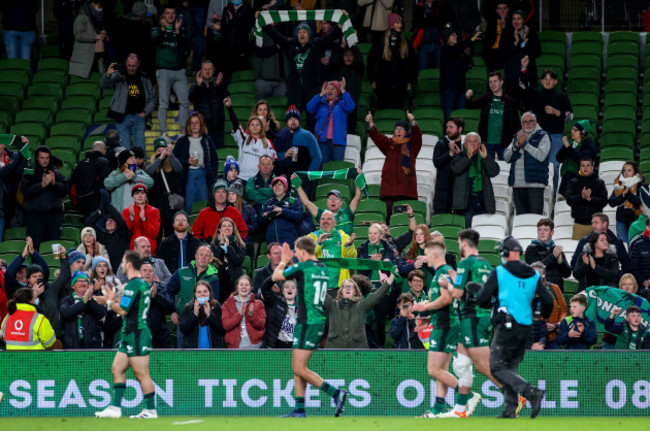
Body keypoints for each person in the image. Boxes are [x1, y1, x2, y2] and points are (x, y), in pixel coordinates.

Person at [476, 236, 553, 419]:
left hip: (506, 325)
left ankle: (531, 392)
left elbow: (481, 298)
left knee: (495, 367)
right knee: (510, 366)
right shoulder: (534, 275)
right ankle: (510, 410)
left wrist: (492, 303)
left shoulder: (500, 271)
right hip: (526, 326)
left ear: (506, 253)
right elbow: (548, 300)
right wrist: (540, 315)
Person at [271, 237, 349, 417]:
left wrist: (283, 261)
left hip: (308, 322)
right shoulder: (322, 267)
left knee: (299, 368)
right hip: (316, 320)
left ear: (304, 252)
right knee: (297, 366)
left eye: (298, 252)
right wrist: (292, 263)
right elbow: (302, 277)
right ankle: (299, 409)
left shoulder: (303, 268)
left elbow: (276, 276)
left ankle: (336, 393)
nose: (296, 255)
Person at [437, 229, 501, 418]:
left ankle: (515, 394)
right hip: (483, 315)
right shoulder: (486, 265)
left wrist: (446, 284)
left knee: (482, 366)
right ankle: (459, 410)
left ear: (464, 243)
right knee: (461, 365)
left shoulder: (465, 262)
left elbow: (457, 293)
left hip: (472, 317)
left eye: (459, 242)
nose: (459, 246)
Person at [95, 251, 157, 419]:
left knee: (141, 374)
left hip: (137, 333)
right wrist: (113, 298)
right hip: (129, 333)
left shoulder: (132, 285)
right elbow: (128, 306)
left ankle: (151, 410)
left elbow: (123, 310)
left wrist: (109, 301)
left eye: (123, 262)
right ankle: (115, 408)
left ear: (129, 264)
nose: (121, 265)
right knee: (117, 368)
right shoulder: (140, 284)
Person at [411, 241, 469, 418]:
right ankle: (437, 410)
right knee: (441, 371)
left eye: (426, 254)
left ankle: (467, 395)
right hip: (444, 322)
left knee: (434, 370)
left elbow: (445, 300)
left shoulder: (443, 273)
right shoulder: (441, 273)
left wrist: (424, 308)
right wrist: (428, 319)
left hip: (445, 325)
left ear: (434, 255)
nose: (424, 258)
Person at [263, 19, 343, 118]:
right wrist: (265, 24)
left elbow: (329, 37)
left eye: (304, 32)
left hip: (312, 90)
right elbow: (277, 37)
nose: (302, 34)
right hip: (295, 91)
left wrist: (340, 25)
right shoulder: (291, 45)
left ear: (309, 34)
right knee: (292, 119)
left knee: (313, 119)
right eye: (299, 32)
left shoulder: (316, 44)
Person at [521, 66, 573, 194]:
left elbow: (570, 115)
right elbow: (522, 84)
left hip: (556, 137)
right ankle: (539, 196)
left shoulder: (562, 96)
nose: (547, 81)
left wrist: (556, 112)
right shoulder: (536, 94)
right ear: (541, 81)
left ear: (555, 81)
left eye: (551, 79)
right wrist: (523, 68)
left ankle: (554, 196)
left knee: (554, 167)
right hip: (538, 137)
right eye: (545, 79)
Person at [366, 111, 422, 218]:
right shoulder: (389, 144)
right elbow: (378, 137)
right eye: (397, 128)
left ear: (406, 132)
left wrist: (412, 121)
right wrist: (371, 122)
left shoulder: (412, 146)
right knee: (389, 219)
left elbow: (418, 137)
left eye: (402, 129)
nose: (399, 131)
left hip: (406, 191)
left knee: (402, 221)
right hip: (389, 191)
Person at [166, 244, 220, 347]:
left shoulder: (214, 278)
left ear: (210, 259)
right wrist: (172, 311)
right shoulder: (182, 272)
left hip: (205, 321)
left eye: (207, 255)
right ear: (196, 256)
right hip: (184, 319)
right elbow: (169, 291)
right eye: (201, 254)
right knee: (184, 353)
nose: (203, 257)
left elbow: (214, 300)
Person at [100, 54, 156, 152]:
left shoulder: (144, 78)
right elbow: (104, 86)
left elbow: (152, 99)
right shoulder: (119, 75)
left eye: (133, 66)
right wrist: (107, 75)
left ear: (138, 64)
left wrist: (145, 113)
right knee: (124, 150)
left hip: (139, 117)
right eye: (129, 65)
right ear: (125, 63)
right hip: (122, 117)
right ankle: (126, 168)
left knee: (140, 149)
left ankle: (140, 167)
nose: (131, 68)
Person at [324, 273, 396, 348]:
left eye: (351, 287)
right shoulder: (332, 305)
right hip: (334, 351)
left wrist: (391, 277)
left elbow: (378, 294)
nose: (348, 288)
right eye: (345, 286)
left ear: (355, 292)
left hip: (358, 352)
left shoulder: (362, 306)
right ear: (341, 290)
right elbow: (319, 291)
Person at [152, 6, 190, 138]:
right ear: (163, 15)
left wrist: (178, 31)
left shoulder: (181, 28)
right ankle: (163, 133)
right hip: (163, 70)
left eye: (173, 13)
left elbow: (184, 45)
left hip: (179, 70)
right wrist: (163, 29)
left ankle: (182, 131)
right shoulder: (156, 29)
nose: (170, 15)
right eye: (167, 13)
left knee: (185, 102)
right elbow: (159, 42)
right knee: (163, 103)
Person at [21, 146, 69, 250]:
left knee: (54, 248)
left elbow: (65, 190)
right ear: (37, 158)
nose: (45, 160)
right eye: (42, 158)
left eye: (47, 158)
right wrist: (41, 185)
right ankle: (36, 266)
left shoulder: (56, 173)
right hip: (35, 217)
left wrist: (54, 183)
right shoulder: (29, 173)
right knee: (35, 249)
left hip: (53, 217)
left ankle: (54, 266)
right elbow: (25, 191)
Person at [465, 72, 520, 161]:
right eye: (490, 82)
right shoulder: (485, 98)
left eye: (495, 81)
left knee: (504, 169)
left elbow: (516, 123)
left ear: (501, 82)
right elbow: (470, 105)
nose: (492, 84)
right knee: (487, 169)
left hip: (504, 142)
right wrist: (468, 97)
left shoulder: (510, 101)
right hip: (487, 142)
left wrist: (513, 139)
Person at [366, 14, 417, 110]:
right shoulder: (380, 43)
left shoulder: (406, 43)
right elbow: (370, 62)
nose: (400, 25)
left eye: (401, 23)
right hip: (383, 86)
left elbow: (413, 63)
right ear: (391, 25)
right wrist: (372, 80)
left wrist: (410, 81)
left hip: (400, 86)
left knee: (397, 112)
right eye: (397, 23)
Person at [504, 112, 550, 215]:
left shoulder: (543, 136)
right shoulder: (517, 137)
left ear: (536, 122)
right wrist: (516, 145)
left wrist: (525, 145)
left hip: (535, 184)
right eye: (525, 122)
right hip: (517, 184)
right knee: (521, 220)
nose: (528, 124)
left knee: (534, 219)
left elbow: (541, 156)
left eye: (531, 121)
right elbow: (507, 157)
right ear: (521, 124)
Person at [173, 112, 219, 214]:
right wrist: (187, 161)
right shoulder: (182, 141)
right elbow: (174, 159)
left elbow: (214, 159)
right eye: (192, 123)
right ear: (188, 125)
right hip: (188, 174)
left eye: (197, 123)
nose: (194, 125)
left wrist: (213, 175)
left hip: (203, 174)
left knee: (203, 204)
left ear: (201, 124)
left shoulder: (207, 140)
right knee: (189, 205)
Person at [451, 132, 500, 227]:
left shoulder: (484, 157)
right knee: (467, 232)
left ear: (480, 144)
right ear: (465, 145)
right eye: (469, 141)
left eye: (475, 141)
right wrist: (468, 157)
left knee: (483, 230)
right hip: (465, 203)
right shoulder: (458, 157)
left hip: (483, 201)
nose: (472, 143)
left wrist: (486, 158)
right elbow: (456, 169)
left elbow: (494, 172)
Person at [224, 97, 277, 181]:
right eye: (252, 125)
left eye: (257, 125)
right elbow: (235, 123)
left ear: (261, 127)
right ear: (248, 127)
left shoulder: (267, 142)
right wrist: (229, 107)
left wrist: (272, 161)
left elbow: (274, 161)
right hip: (241, 178)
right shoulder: (243, 138)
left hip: (258, 180)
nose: (255, 126)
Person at [306, 79, 355, 164]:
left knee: (337, 168)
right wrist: (321, 94)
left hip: (338, 142)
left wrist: (343, 90)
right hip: (323, 142)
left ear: (337, 91)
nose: (329, 91)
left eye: (333, 89)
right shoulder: (321, 103)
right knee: (324, 167)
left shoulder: (342, 104)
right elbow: (309, 108)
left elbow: (351, 106)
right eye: (328, 89)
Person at [440, 27, 483, 121]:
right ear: (447, 37)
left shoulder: (458, 52)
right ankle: (447, 136)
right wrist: (472, 39)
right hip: (449, 90)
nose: (456, 36)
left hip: (460, 89)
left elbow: (467, 66)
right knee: (449, 117)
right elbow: (458, 48)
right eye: (453, 35)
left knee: (460, 117)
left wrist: (467, 56)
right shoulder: (446, 50)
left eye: (456, 34)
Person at [308, 210, 357, 289]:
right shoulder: (311, 237)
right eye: (323, 219)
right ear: (320, 221)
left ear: (335, 222)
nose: (325, 221)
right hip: (317, 287)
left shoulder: (343, 237)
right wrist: (318, 243)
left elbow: (352, 259)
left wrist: (349, 245)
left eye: (329, 219)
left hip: (340, 287)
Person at [499, 10, 541, 103]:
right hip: (512, 78)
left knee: (529, 108)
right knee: (513, 108)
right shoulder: (506, 34)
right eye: (514, 19)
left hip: (529, 76)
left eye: (519, 19)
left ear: (524, 20)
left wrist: (525, 40)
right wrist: (515, 43)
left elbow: (537, 52)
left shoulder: (532, 34)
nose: (516, 21)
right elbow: (502, 55)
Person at [146, 137, 184, 240]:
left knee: (170, 236)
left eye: (163, 150)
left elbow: (179, 168)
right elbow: (149, 171)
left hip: (170, 206)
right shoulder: (152, 165)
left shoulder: (172, 163)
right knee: (156, 236)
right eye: (159, 151)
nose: (161, 153)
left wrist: (170, 155)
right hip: (156, 206)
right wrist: (159, 159)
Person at [60, 271, 107, 349]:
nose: (83, 283)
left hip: (92, 345)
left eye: (85, 281)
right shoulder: (67, 300)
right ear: (73, 286)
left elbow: (101, 313)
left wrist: (90, 299)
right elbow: (67, 313)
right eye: (79, 281)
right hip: (72, 345)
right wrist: (83, 302)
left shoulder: (95, 298)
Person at [273, 107, 323, 178]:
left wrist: (308, 175)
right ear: (286, 121)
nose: (293, 121)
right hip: (284, 177)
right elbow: (273, 156)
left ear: (299, 120)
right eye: (290, 119)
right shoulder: (280, 136)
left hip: (303, 176)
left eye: (295, 119)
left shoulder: (308, 135)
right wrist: (284, 154)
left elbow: (317, 157)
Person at [189, 61, 228, 148]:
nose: (207, 71)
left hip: (218, 127)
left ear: (213, 71)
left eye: (209, 69)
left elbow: (226, 97)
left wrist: (219, 85)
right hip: (203, 128)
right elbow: (191, 98)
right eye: (205, 69)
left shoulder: (218, 84)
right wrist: (198, 85)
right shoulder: (195, 86)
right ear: (201, 71)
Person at [566, 158, 608, 240]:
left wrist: (590, 199)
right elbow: (569, 200)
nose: (585, 168)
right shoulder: (573, 182)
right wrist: (581, 197)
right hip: (579, 225)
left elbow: (604, 201)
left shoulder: (599, 183)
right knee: (577, 251)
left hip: (596, 225)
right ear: (580, 168)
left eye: (588, 165)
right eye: (583, 165)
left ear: (592, 167)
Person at [296, 184, 362, 236]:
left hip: (345, 250)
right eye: (330, 199)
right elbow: (306, 202)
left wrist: (358, 178)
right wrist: (298, 186)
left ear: (341, 202)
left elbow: (357, 198)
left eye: (335, 199)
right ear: (327, 203)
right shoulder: (323, 214)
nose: (332, 201)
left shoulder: (347, 212)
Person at [525, 218, 572, 290]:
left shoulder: (556, 249)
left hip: (557, 291)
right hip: (540, 291)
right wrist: (553, 256)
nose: (542, 232)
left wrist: (560, 262)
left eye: (545, 230)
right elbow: (536, 269)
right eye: (540, 230)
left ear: (552, 232)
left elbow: (567, 274)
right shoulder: (531, 248)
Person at [529, 261, 567, 350]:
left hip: (554, 339)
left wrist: (558, 324)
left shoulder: (555, 288)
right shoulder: (526, 291)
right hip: (535, 340)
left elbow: (563, 310)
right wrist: (542, 325)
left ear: (544, 275)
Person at [555, 120, 597, 198]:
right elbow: (559, 158)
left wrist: (568, 148)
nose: (572, 131)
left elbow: (582, 160)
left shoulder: (588, 144)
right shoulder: (571, 143)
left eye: (575, 130)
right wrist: (565, 147)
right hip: (566, 181)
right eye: (572, 129)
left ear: (582, 133)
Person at [609, 161, 648, 244]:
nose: (626, 173)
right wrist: (622, 196)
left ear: (635, 171)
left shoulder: (642, 185)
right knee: (624, 246)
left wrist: (628, 195)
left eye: (629, 170)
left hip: (637, 220)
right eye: (624, 170)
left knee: (636, 245)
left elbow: (643, 202)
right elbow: (611, 202)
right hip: (621, 220)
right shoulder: (618, 184)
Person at [221, 275, 265, 348]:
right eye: (241, 284)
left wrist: (252, 315)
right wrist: (239, 314)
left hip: (256, 347)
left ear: (251, 287)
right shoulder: (227, 304)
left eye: (247, 285)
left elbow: (261, 325)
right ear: (237, 287)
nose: (244, 287)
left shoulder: (259, 304)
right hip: (235, 349)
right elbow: (226, 326)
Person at [70, 141, 112, 218]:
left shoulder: (81, 163)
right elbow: (106, 183)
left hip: (81, 201)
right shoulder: (103, 161)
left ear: (91, 150)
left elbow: (71, 182)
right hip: (96, 202)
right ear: (104, 150)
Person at [260, 176, 304, 248]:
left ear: (285, 187)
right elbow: (260, 222)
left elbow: (299, 216)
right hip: (272, 242)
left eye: (279, 184)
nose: (277, 187)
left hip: (290, 241)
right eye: (274, 185)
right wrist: (265, 217)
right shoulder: (268, 203)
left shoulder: (293, 200)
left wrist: (282, 211)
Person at [179, 280, 225, 348]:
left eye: (205, 291)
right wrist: (194, 314)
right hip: (193, 353)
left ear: (210, 292)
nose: (202, 294)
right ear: (195, 294)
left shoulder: (216, 306)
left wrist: (209, 315)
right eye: (199, 292)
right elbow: (183, 329)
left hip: (213, 352)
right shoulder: (188, 307)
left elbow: (222, 329)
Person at [87, 203, 133, 271]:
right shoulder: (101, 235)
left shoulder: (123, 235)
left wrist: (108, 205)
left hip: (120, 272)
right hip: (104, 272)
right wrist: (99, 211)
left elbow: (121, 221)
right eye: (107, 220)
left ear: (117, 223)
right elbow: (89, 224)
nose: (109, 222)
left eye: (112, 220)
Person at [69, 0, 107, 78]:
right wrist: (95, 36)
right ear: (92, 4)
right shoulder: (82, 17)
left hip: (97, 55)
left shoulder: (98, 17)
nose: (101, 9)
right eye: (99, 6)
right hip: (84, 56)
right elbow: (78, 35)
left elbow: (99, 29)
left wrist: (103, 33)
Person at [433, 117, 464, 215]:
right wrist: (450, 153)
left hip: (459, 197)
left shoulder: (465, 145)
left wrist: (460, 155)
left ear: (460, 129)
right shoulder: (441, 144)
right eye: (447, 127)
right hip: (442, 196)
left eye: (451, 127)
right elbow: (437, 162)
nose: (448, 130)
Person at [212, 217, 247, 302]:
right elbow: (216, 261)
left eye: (230, 226)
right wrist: (221, 244)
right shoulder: (213, 245)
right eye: (224, 226)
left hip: (235, 280)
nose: (227, 228)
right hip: (220, 282)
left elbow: (237, 262)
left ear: (233, 229)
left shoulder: (240, 244)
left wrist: (228, 247)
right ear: (220, 229)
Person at [121, 184, 161, 255]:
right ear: (133, 196)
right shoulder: (126, 211)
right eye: (136, 193)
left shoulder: (155, 211)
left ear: (146, 195)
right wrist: (131, 218)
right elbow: (124, 234)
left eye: (142, 193)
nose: (140, 196)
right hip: (133, 252)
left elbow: (154, 234)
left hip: (149, 252)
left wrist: (144, 219)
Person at [260, 276, 297, 349]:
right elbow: (265, 289)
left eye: (293, 287)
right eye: (286, 287)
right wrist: (274, 278)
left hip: (295, 347)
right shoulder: (276, 302)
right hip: (276, 345)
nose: (290, 289)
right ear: (282, 291)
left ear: (296, 291)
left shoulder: (302, 307)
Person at [0, 135, 25, 238]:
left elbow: (18, 171)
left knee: (14, 236)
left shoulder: (13, 156)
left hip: (15, 204)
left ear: (4, 144)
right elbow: (9, 168)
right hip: (1, 207)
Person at [412, 0, 444, 70]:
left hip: (437, 43)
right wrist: (434, 19)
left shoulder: (439, 7)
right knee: (422, 68)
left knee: (439, 70)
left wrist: (426, 18)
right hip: (424, 44)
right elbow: (418, 23)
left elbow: (441, 21)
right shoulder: (418, 7)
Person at [482, 1, 510, 72]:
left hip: (507, 53)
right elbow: (487, 41)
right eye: (500, 9)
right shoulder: (492, 22)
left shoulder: (512, 22)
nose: (502, 11)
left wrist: (503, 26)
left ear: (508, 9)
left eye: (504, 8)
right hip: (494, 54)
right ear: (496, 10)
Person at [629, 217, 650, 288]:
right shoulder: (638, 244)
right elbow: (633, 266)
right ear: (647, 228)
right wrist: (643, 281)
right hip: (644, 287)